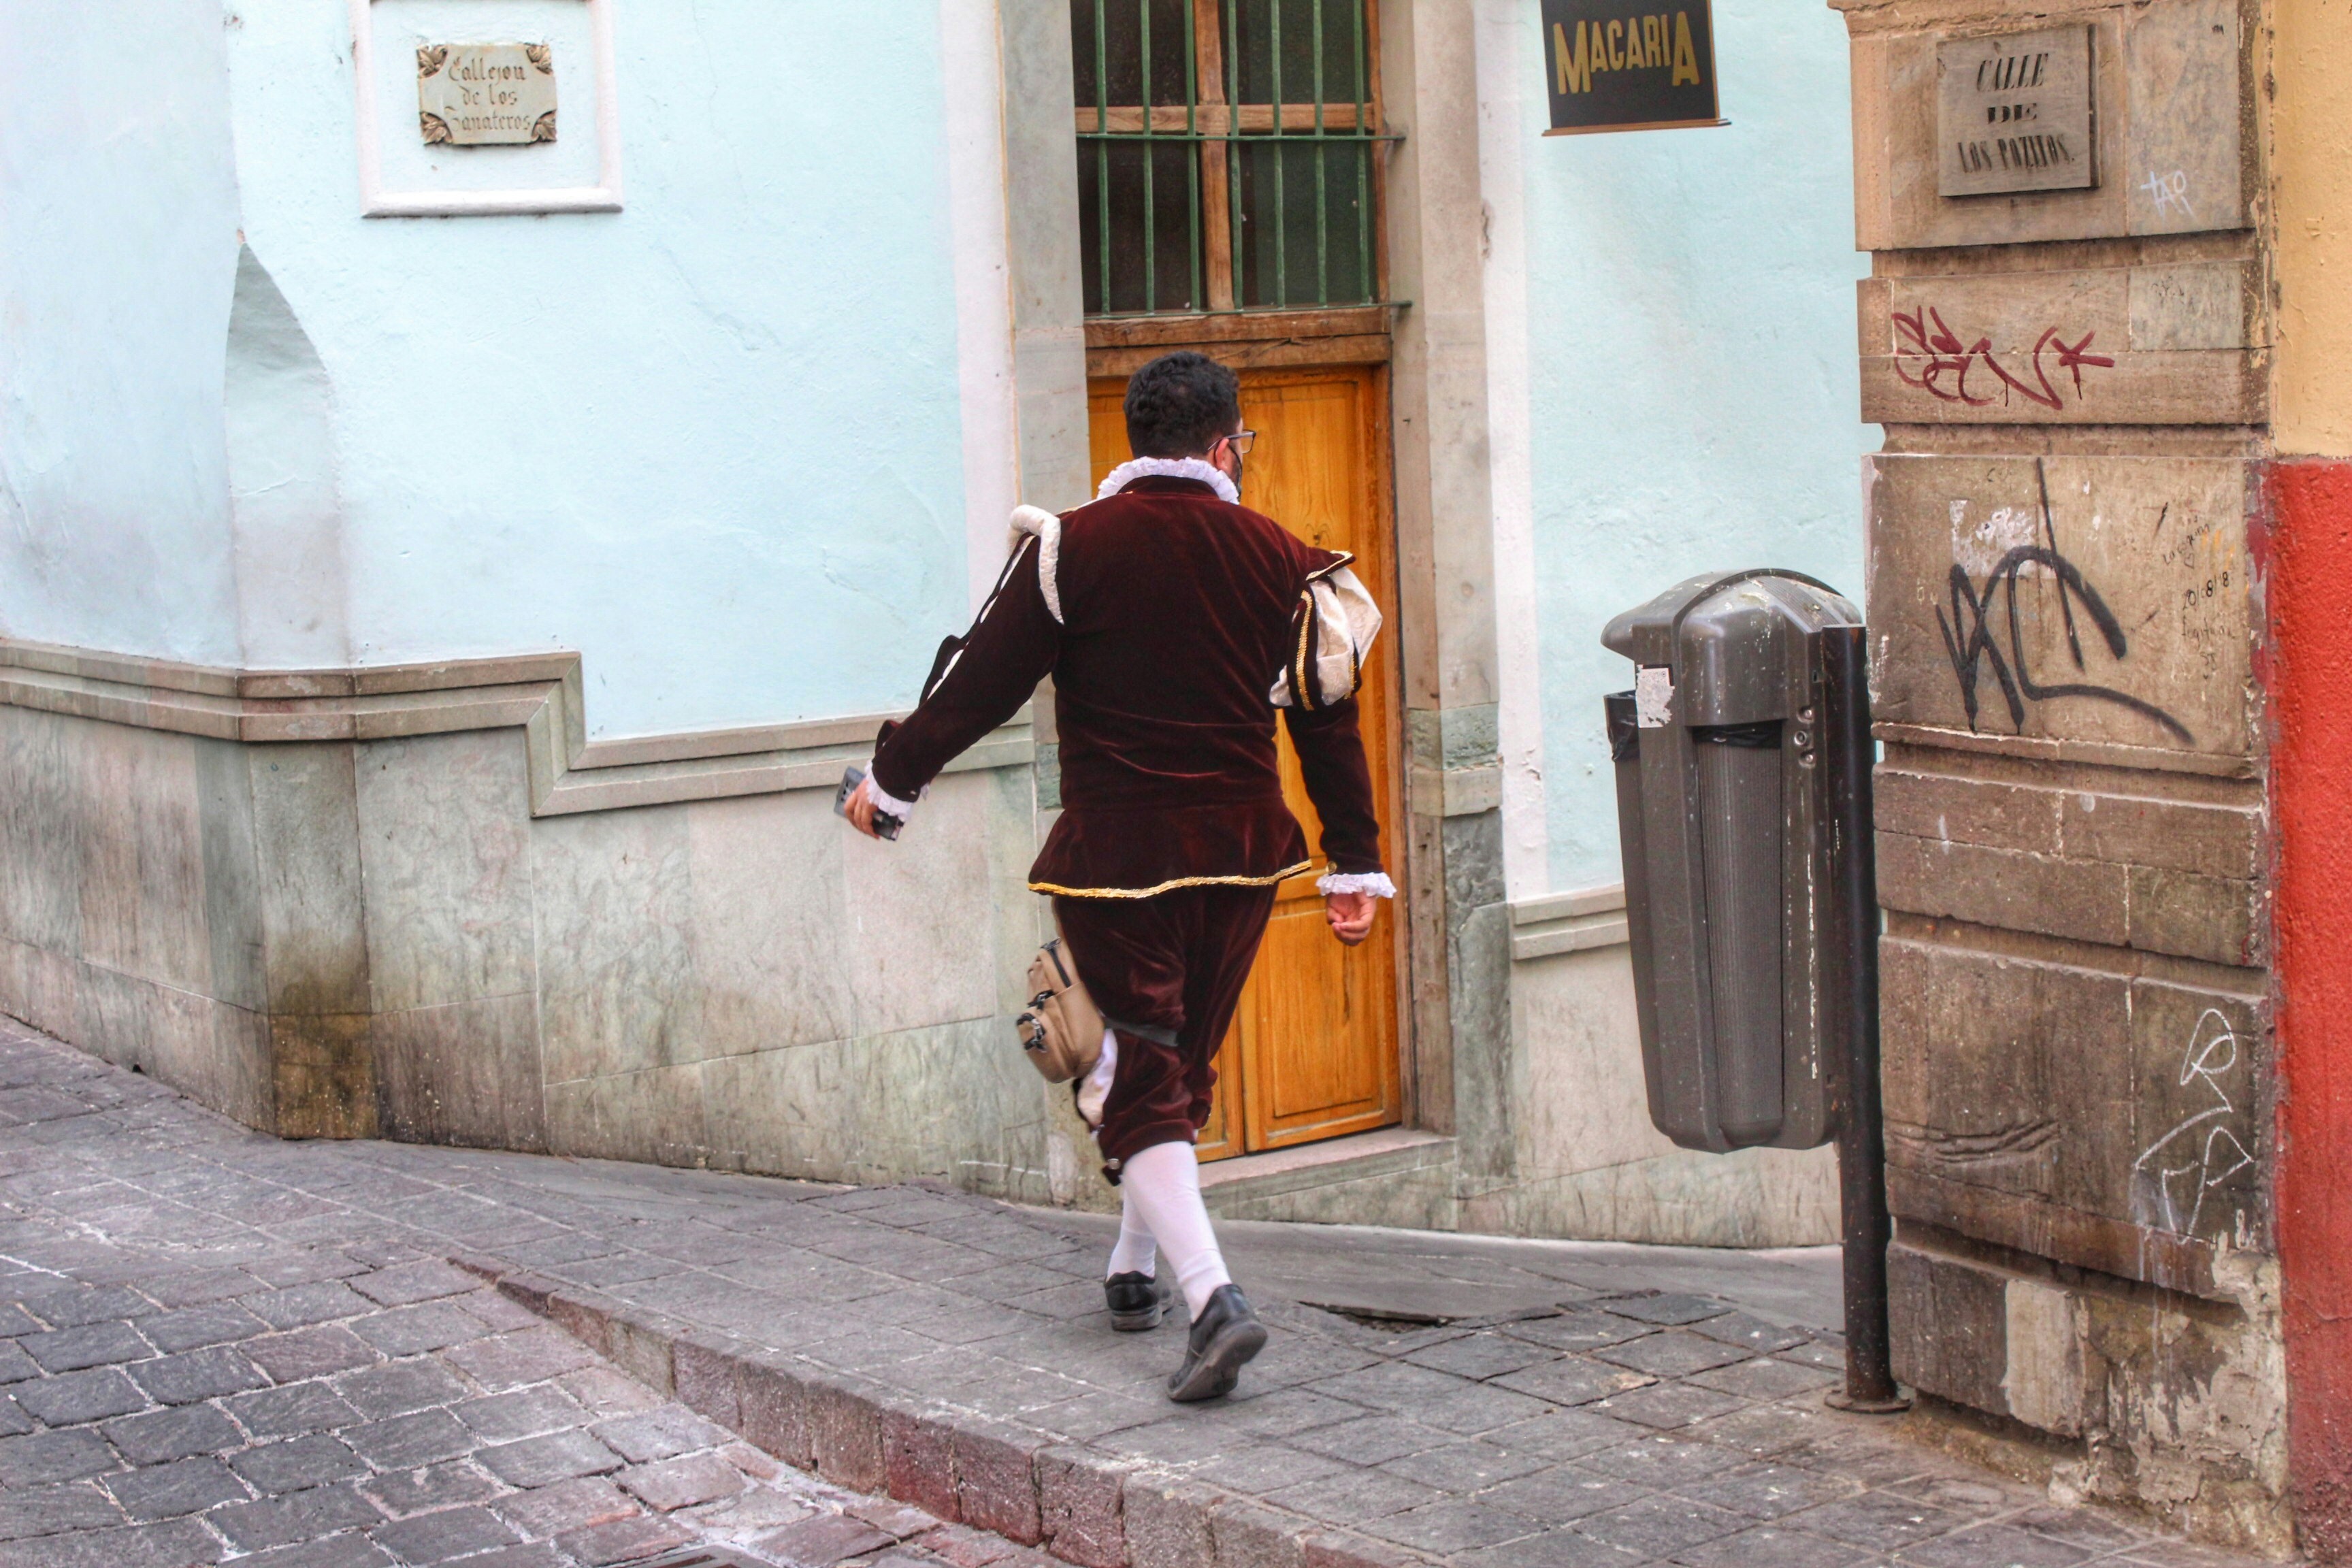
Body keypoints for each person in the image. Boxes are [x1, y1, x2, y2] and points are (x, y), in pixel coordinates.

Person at [842, 350, 1393, 1401]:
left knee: (1132, 1083)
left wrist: (890, 783)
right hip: (1242, 860)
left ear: (1134, 443)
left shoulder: (1069, 550)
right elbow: (1328, 726)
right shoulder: (1290, 561)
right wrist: (1354, 865)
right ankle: (1131, 1274)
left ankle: (1214, 1301)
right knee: (1168, 1070)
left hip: (1117, 863)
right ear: (1227, 445)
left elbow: (975, 687)